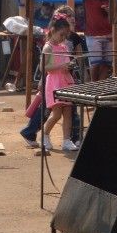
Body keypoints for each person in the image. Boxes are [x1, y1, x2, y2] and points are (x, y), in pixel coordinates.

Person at [40, 20, 79, 152]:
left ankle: (66, 140)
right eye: (61, 34)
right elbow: (43, 67)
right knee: (56, 114)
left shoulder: (64, 47)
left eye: (65, 35)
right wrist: (60, 66)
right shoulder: (48, 47)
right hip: (54, 83)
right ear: (53, 31)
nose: (63, 38)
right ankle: (44, 136)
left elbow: (66, 63)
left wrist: (69, 66)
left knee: (68, 113)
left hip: (66, 81)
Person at [82, 0, 114, 82]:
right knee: (95, 63)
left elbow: (116, 11)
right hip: (93, 34)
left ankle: (99, 84)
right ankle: (94, 83)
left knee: (107, 63)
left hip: (109, 33)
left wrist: (111, 9)